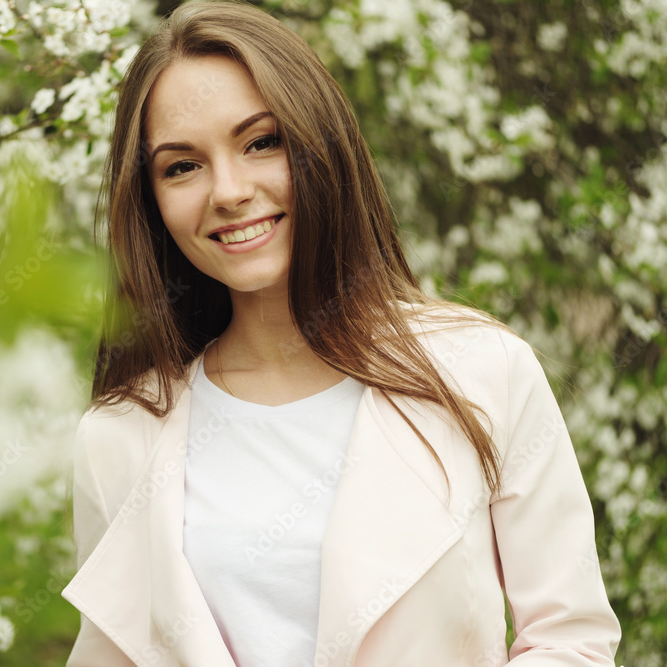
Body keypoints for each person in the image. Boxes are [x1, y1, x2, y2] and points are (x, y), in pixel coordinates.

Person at [60, 1, 622, 665]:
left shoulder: (482, 371)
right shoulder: (120, 436)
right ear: (151, 200)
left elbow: (570, 640)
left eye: (261, 141)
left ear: (320, 144)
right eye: (182, 166)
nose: (230, 191)